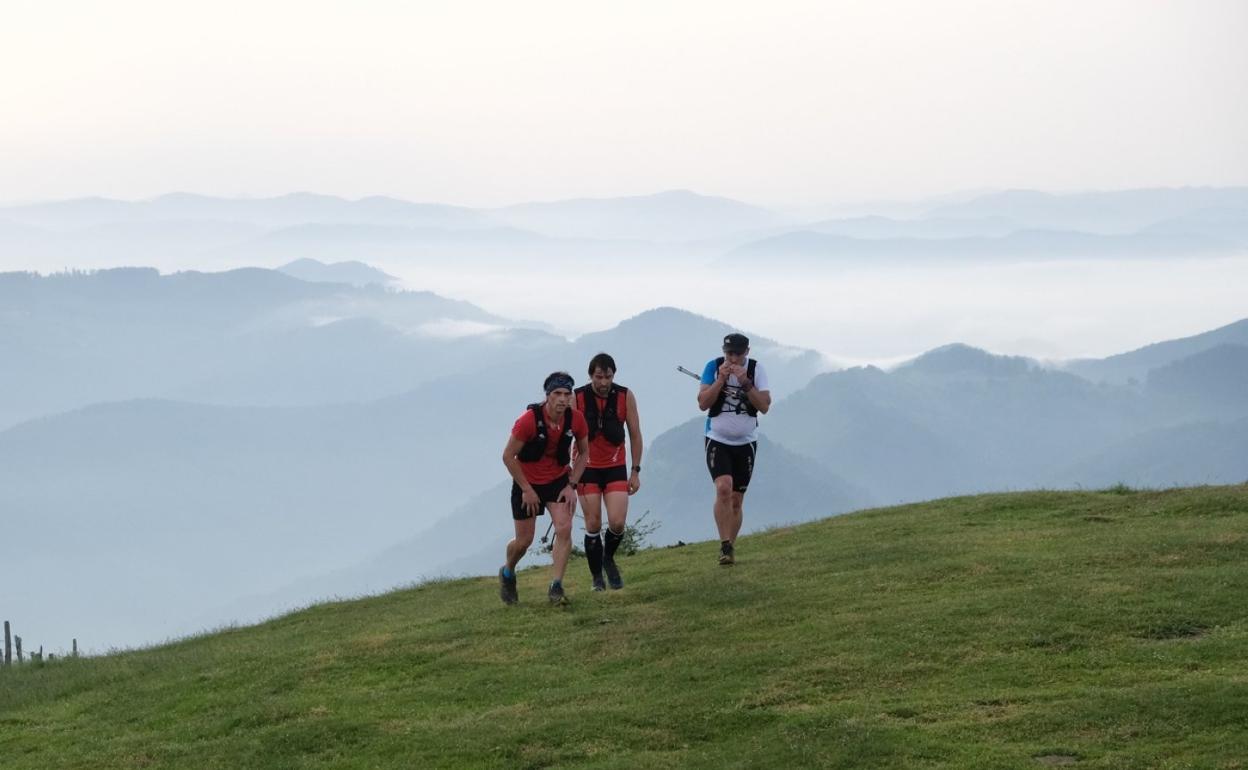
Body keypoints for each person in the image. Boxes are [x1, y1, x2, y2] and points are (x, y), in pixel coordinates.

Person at [499, 371, 589, 605]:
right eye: (557, 394)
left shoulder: (576, 419)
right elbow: (508, 456)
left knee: (564, 527)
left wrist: (572, 485)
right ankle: (508, 572)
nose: (562, 399)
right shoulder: (528, 420)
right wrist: (527, 490)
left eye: (567, 394)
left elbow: (584, 452)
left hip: (559, 479)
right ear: (547, 395)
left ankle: (556, 586)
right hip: (527, 482)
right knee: (524, 541)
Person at [697, 333, 771, 565]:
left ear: (746, 352)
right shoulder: (713, 366)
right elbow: (703, 402)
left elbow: (764, 406)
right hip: (717, 439)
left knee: (737, 500)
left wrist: (746, 383)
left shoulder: (756, 369)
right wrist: (720, 380)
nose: (733, 358)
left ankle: (730, 546)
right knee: (723, 488)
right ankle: (724, 544)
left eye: (738, 354)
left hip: (746, 441)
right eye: (729, 353)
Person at [574, 353, 643, 591]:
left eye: (608, 377)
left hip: (615, 466)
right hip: (586, 468)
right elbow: (565, 435)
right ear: (591, 375)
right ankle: (596, 579)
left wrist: (635, 471)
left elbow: (635, 434)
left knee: (617, 522)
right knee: (593, 523)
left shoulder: (625, 396)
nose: (604, 383)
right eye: (599, 377)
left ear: (614, 375)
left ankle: (608, 558)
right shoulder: (577, 398)